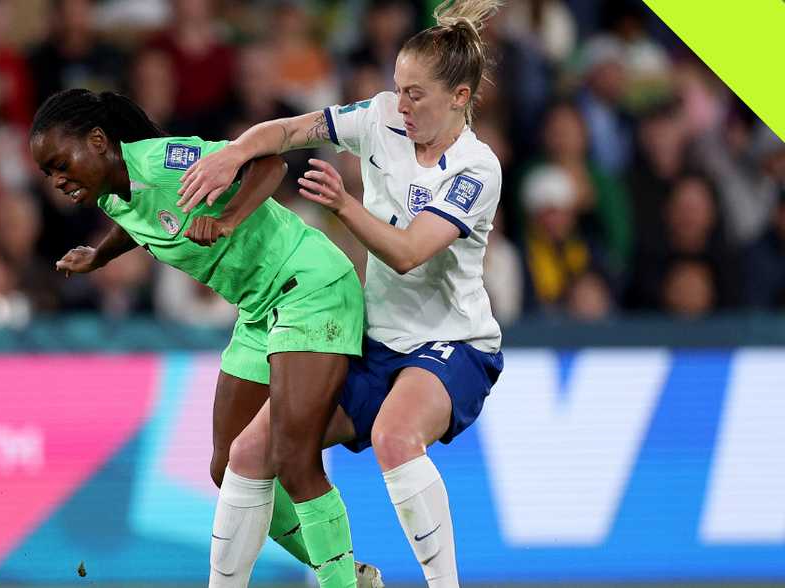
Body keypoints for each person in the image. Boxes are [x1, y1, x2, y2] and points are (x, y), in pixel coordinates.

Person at [178, 1, 506, 586]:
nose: (401, 106)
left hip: (451, 344)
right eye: (398, 89)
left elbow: (407, 255)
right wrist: (234, 152)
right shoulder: (380, 117)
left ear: (459, 97)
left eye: (417, 95)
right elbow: (287, 130)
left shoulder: (476, 169)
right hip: (373, 338)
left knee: (395, 437)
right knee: (248, 456)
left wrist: (345, 205)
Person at [29, 89, 368, 588]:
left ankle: (341, 582)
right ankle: (346, 570)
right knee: (227, 465)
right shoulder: (109, 194)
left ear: (99, 141)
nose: (57, 180)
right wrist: (99, 256)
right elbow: (140, 220)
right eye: (48, 173)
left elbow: (269, 164)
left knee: (293, 459)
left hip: (310, 285)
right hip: (260, 311)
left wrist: (229, 219)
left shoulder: (167, 161)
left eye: (61, 163)